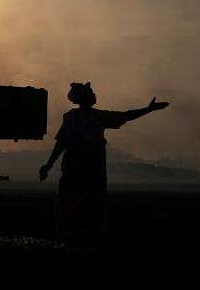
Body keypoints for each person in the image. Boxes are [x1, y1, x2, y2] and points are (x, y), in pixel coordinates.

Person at [39, 81, 169, 246]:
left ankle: (86, 238)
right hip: (76, 168)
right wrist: (48, 165)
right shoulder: (72, 117)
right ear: (83, 98)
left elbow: (125, 116)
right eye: (91, 93)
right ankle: (72, 237)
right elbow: (62, 143)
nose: (94, 95)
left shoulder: (98, 116)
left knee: (91, 205)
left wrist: (148, 109)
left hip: (93, 170)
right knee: (72, 203)